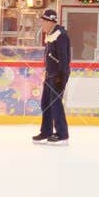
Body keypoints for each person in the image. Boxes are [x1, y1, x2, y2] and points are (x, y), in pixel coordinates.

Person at [32, 8, 71, 146]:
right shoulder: (51, 34)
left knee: (55, 104)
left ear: (50, 21)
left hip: (58, 76)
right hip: (50, 75)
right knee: (46, 104)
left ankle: (62, 134)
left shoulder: (60, 35)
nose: (41, 24)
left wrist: (61, 76)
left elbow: (64, 58)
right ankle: (46, 131)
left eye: (43, 21)